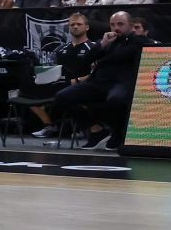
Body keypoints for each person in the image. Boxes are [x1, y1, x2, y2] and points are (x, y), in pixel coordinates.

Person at [49, 10, 148, 150]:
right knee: (62, 96)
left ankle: (118, 133)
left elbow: (123, 55)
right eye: (113, 25)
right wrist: (101, 45)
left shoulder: (138, 40)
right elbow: (85, 62)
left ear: (131, 25)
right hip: (98, 83)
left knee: (115, 98)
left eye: (120, 24)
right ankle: (96, 130)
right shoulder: (108, 41)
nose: (116, 28)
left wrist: (100, 62)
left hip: (122, 83)